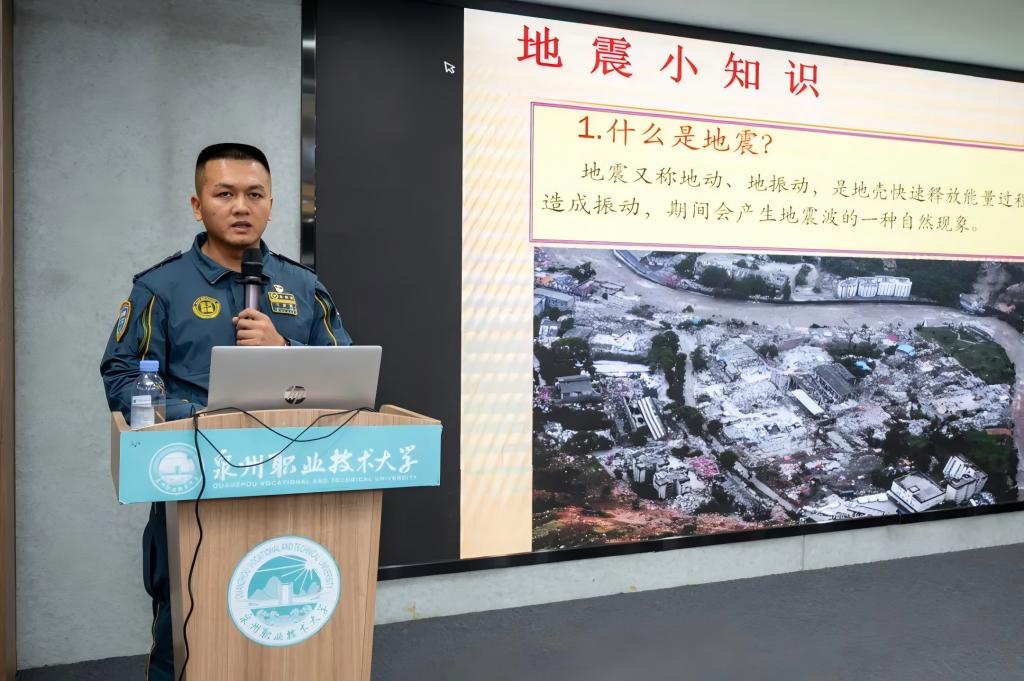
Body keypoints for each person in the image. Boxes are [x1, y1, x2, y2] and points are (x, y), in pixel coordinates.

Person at [100, 143, 351, 680]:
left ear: (271, 204)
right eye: (225, 194)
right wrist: (202, 416)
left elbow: (350, 378)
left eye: (254, 194)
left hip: (293, 481)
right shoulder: (160, 287)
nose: (241, 206)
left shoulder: (303, 286)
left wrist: (285, 350)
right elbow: (121, 377)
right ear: (198, 206)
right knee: (188, 624)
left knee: (287, 614)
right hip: (195, 483)